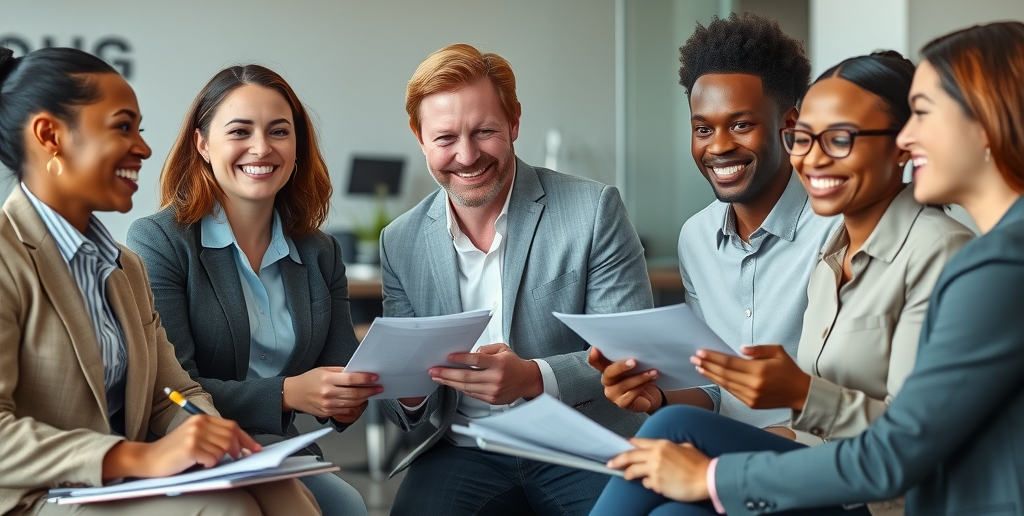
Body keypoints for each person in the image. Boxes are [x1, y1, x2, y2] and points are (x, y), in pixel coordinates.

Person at [602, 22, 1024, 516]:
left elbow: (902, 449)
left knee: (677, 469)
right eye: (805, 139)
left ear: (988, 124)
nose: (912, 137)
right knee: (670, 455)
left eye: (839, 138)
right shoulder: (834, 255)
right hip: (824, 464)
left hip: (877, 497)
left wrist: (718, 473)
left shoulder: (971, 257)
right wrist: (668, 400)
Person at [0, 47, 320, 515]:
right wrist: (138, 456)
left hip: (120, 483)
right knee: (229, 511)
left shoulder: (123, 267)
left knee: (282, 490)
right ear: (50, 136)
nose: (144, 148)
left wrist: (215, 440)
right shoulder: (8, 258)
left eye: (139, 129)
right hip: (36, 494)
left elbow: (173, 394)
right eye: (121, 127)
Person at [376, 43, 655, 516]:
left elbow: (633, 353)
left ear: (514, 123)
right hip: (465, 449)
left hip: (581, 444)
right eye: (445, 139)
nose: (466, 156)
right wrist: (405, 388)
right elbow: (402, 408)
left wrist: (533, 377)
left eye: (484, 131)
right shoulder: (399, 240)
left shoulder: (593, 210)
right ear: (419, 136)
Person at [126, 65, 370, 516]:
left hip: (281, 452)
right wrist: (287, 394)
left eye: (279, 131)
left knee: (347, 506)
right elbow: (169, 388)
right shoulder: (160, 241)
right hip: (189, 449)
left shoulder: (320, 251)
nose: (262, 148)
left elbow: (338, 367)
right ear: (202, 144)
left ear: (297, 147)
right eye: (240, 131)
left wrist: (347, 397)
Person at [591, 12, 837, 432]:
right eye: (702, 129)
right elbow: (711, 385)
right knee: (651, 436)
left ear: (789, 127)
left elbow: (855, 390)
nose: (719, 146)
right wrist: (660, 397)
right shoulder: (697, 238)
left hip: (813, 449)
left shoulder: (835, 228)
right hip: (723, 444)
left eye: (741, 125)